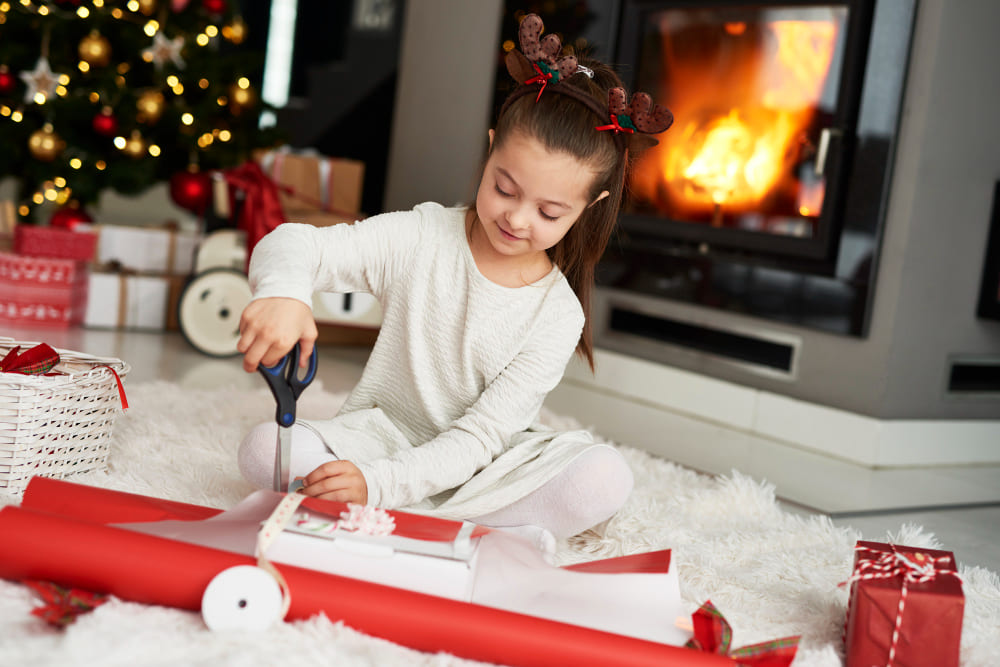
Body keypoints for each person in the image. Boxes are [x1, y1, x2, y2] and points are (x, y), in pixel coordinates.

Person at [235, 13, 672, 545]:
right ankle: (446, 526)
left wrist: (379, 487)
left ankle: (396, 514)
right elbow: (293, 242)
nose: (516, 219)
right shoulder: (423, 236)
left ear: (590, 207)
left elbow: (482, 437)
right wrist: (285, 294)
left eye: (549, 213)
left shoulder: (559, 314)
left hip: (483, 463)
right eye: (505, 189)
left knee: (603, 477)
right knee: (264, 450)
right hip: (381, 438)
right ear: (490, 150)